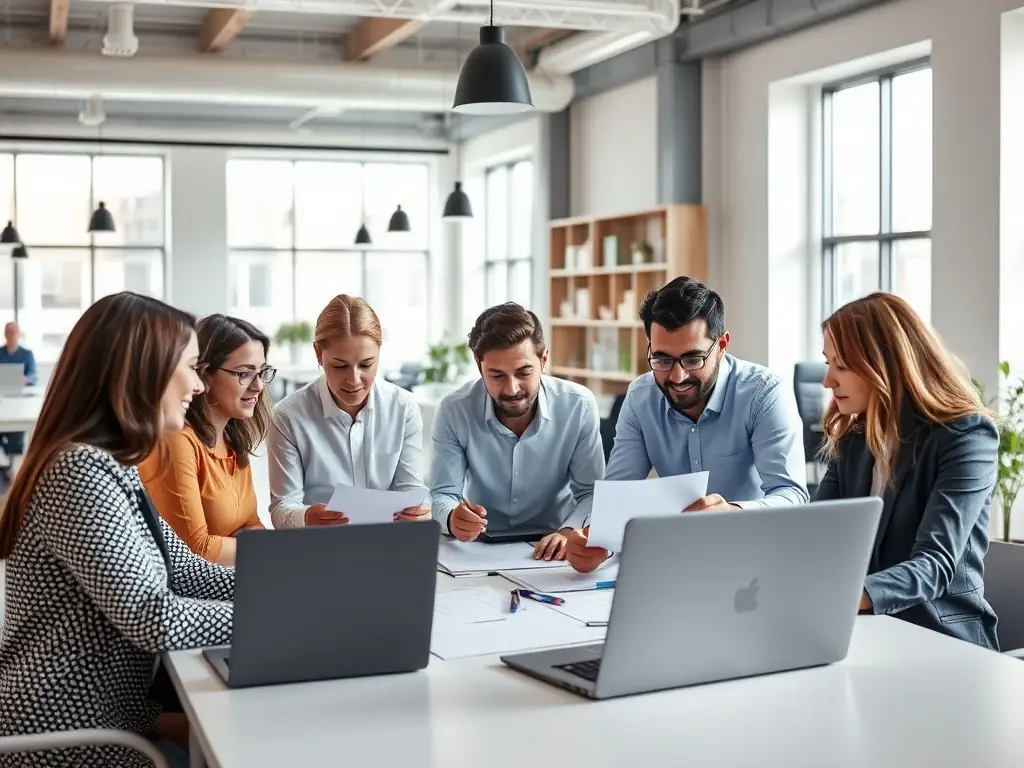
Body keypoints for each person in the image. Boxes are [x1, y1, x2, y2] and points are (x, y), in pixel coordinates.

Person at [0, 292, 234, 768]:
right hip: (66, 737)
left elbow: (188, 572)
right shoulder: (79, 469)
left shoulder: (112, 464)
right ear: (144, 370)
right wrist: (284, 616)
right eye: (190, 366)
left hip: (113, 718)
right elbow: (154, 618)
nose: (198, 384)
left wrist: (295, 586)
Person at [566, 276, 808, 572]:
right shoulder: (640, 397)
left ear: (722, 345)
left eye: (693, 359)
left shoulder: (764, 393)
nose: (677, 378)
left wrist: (734, 513)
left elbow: (793, 497)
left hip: (756, 560)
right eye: (662, 360)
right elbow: (617, 495)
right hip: (677, 561)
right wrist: (596, 541)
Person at [813, 293, 999, 648]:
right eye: (828, 363)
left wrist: (845, 597)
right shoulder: (854, 437)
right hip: (863, 633)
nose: (827, 381)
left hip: (943, 640)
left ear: (885, 365)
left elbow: (935, 565)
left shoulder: (966, 436)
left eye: (841, 365)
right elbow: (816, 532)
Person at [430, 303, 605, 561]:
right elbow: (442, 494)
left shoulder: (578, 405)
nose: (512, 389)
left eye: (524, 372)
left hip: (555, 548)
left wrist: (570, 531)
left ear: (544, 359)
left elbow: (591, 492)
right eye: (497, 375)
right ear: (479, 367)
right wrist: (452, 517)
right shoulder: (455, 410)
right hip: (478, 551)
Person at [268, 295, 429, 528]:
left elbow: (412, 490)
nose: (354, 380)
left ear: (379, 353)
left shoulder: (403, 408)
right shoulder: (288, 417)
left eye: (366, 364)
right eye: (340, 365)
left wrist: (419, 512)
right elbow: (282, 508)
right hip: (323, 546)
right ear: (317, 354)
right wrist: (305, 517)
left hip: (389, 542)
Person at [139, 314, 272, 566]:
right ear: (205, 376)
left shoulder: (233, 438)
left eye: (262, 373)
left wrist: (245, 545)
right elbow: (195, 550)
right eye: (245, 374)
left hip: (232, 576)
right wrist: (258, 548)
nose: (258, 386)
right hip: (193, 592)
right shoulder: (177, 441)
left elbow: (250, 522)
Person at [0, 322, 37, 478]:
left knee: (17, 431)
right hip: (2, 396)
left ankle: (13, 461)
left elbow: (33, 376)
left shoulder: (27, 354)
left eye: (14, 332)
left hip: (20, 396)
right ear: (5, 334)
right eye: (9, 332)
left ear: (19, 334)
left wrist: (25, 379)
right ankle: (5, 461)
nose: (12, 335)